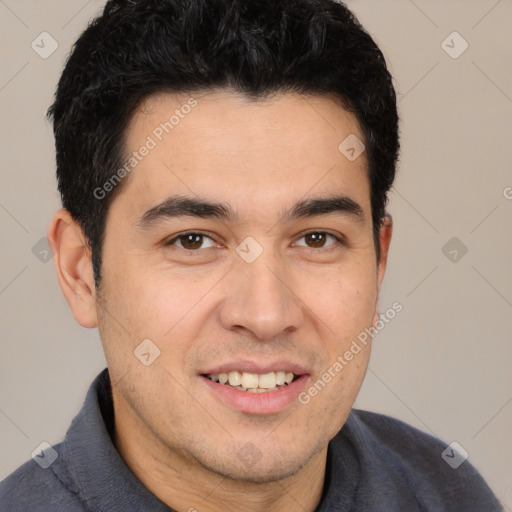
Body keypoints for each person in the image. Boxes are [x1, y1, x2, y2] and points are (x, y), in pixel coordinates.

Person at [0, 0, 502, 510]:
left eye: (316, 239)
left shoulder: (448, 493)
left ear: (378, 262)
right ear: (81, 272)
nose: (266, 315)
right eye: (192, 240)